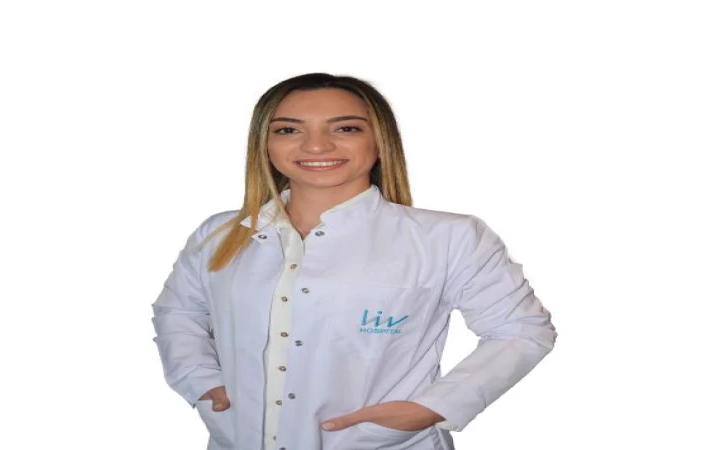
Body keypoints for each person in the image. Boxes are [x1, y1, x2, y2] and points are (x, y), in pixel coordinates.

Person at [151, 72, 557, 450]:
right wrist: (199, 381)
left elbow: (522, 330)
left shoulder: (448, 237)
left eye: (345, 128)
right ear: (264, 144)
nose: (316, 146)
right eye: (289, 130)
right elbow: (179, 313)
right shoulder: (220, 234)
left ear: (379, 140)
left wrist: (433, 408)